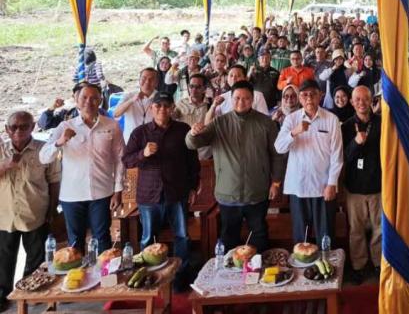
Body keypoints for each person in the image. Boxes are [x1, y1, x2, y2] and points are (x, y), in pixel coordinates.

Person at [185, 81, 283, 253]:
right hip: (228, 193)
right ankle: (230, 269)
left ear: (252, 100)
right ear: (231, 99)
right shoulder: (219, 123)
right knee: (229, 237)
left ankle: (258, 267)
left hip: (257, 191)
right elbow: (193, 143)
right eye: (237, 98)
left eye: (246, 98)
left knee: (259, 234)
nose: (241, 102)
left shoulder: (266, 123)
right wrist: (192, 133)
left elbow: (277, 155)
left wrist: (275, 182)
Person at [123, 92, 199, 289]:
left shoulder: (183, 129)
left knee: (182, 236)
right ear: (151, 108)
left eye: (166, 105)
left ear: (172, 108)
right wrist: (143, 153)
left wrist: (193, 187)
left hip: (177, 193)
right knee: (148, 238)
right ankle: (148, 279)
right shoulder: (140, 133)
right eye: (158, 106)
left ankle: (180, 279)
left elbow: (192, 161)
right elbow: (127, 160)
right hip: (149, 195)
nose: (162, 109)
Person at [41, 84, 124, 253]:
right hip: (72, 195)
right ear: (77, 101)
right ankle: (77, 270)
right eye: (84, 98)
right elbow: (43, 157)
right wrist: (60, 142)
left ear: (100, 100)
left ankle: (104, 270)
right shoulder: (65, 126)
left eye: (94, 98)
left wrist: (118, 190)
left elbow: (120, 159)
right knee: (75, 242)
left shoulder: (111, 126)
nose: (89, 102)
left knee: (102, 238)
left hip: (102, 192)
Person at [0, 112, 60, 311]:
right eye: (14, 127)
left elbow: (54, 180)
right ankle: (2, 295)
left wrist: (52, 209)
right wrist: (6, 165)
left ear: (33, 127)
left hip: (35, 212)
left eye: (24, 126)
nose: (19, 131)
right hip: (5, 215)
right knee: (4, 258)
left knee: (36, 258)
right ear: (7, 129)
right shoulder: (1, 149)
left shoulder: (44, 150)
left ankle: (31, 294)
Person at [274, 80, 344, 244]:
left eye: (313, 94)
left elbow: (337, 154)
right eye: (305, 95)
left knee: (325, 237)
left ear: (320, 96)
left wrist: (332, 183)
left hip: (323, 187)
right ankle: (302, 261)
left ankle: (326, 261)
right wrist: (295, 132)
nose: (309, 98)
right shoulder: (291, 119)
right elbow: (279, 147)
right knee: (301, 238)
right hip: (298, 187)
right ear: (299, 98)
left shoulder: (331, 119)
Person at [341, 86, 382, 284]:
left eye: (365, 99)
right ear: (351, 102)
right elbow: (343, 157)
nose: (361, 103)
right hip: (354, 187)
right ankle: (358, 265)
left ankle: (378, 263)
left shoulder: (382, 123)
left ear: (371, 100)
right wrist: (356, 143)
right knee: (356, 230)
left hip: (378, 186)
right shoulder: (346, 127)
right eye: (357, 99)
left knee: (379, 228)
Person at [38, 82, 109, 131]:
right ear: (73, 97)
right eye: (80, 93)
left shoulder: (102, 114)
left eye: (89, 95)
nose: (87, 100)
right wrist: (52, 108)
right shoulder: (66, 114)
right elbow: (44, 125)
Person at [114, 67, 159, 142]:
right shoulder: (129, 95)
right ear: (139, 80)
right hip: (131, 140)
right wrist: (132, 100)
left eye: (151, 79)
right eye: (144, 78)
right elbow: (116, 114)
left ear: (157, 83)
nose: (147, 82)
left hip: (153, 141)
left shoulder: (160, 97)